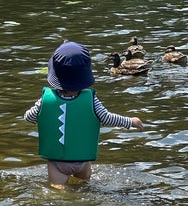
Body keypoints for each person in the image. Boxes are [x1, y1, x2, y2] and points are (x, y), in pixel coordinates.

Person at [23, 41, 144, 189]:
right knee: (84, 187)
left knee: (58, 189)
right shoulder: (91, 100)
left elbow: (28, 117)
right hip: (82, 162)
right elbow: (107, 118)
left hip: (57, 163)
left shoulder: (45, 99)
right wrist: (130, 121)